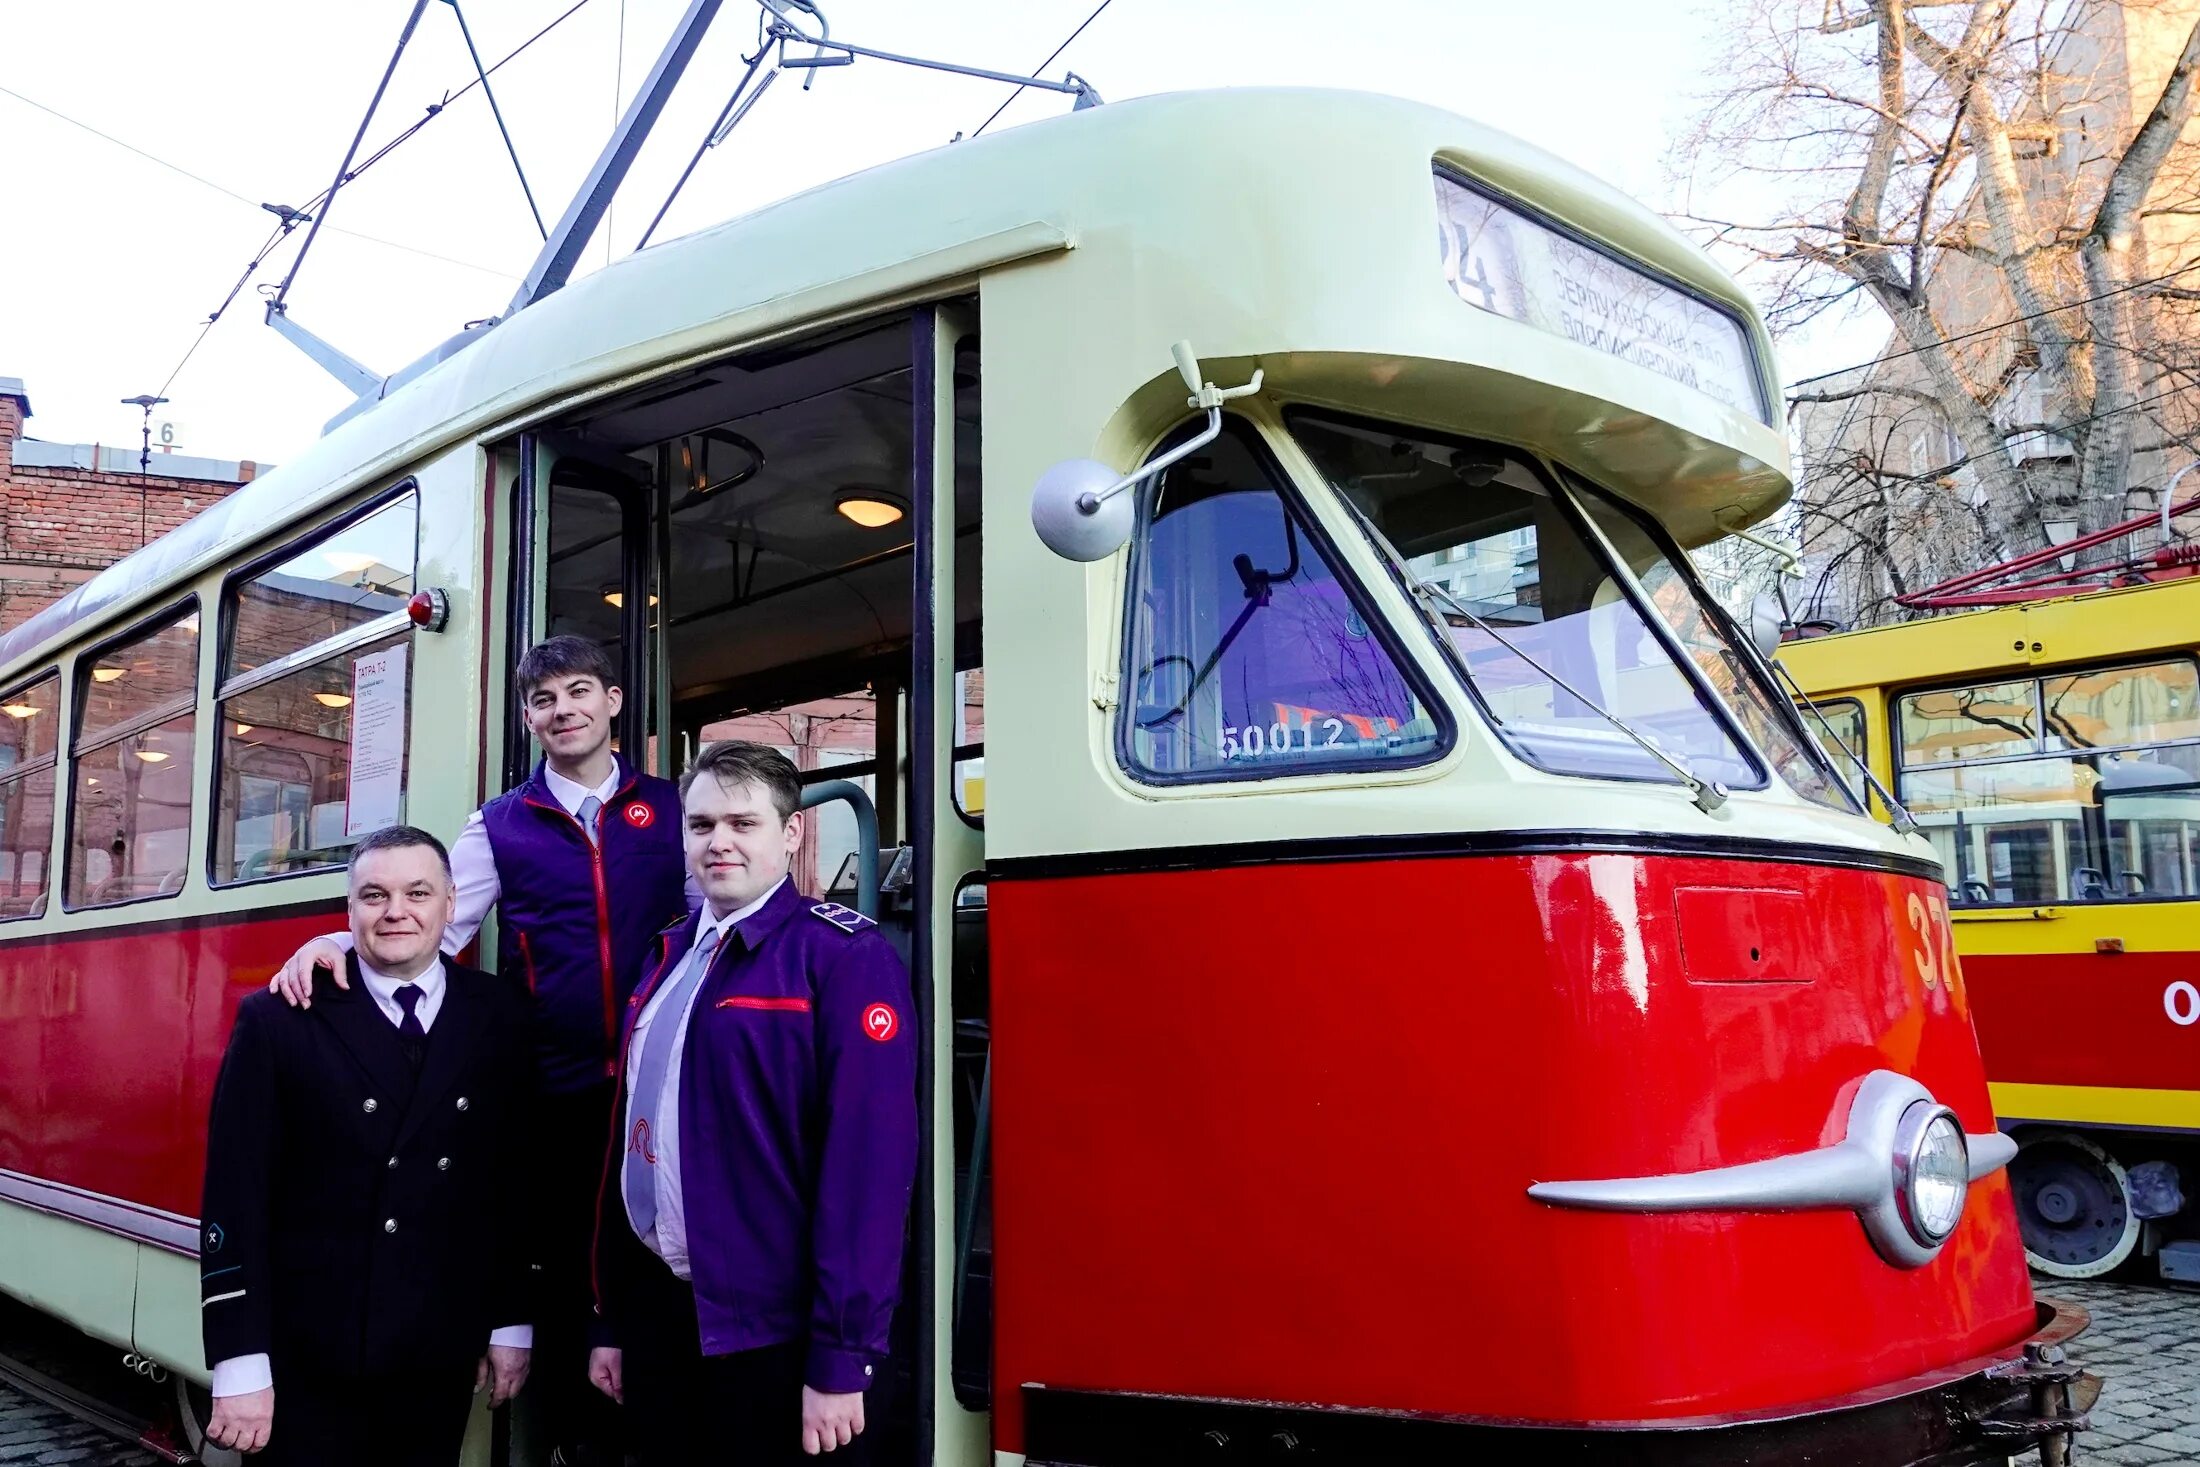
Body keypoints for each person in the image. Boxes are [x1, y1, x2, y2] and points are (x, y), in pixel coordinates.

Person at [266, 635, 690, 1465]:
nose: (562, 710)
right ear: (529, 719)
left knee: (655, 1262)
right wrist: (331, 942)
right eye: (543, 700)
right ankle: (576, 1440)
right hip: (557, 1085)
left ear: (611, 702)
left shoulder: (671, 810)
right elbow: (434, 926)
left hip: (659, 1088)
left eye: (578, 692)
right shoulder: (500, 823)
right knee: (569, 1265)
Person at [589, 742, 917, 1464]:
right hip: (663, 1316)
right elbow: (631, 1138)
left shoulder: (843, 959)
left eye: (744, 822)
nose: (721, 842)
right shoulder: (666, 955)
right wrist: (612, 1317)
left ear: (791, 833)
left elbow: (868, 1173)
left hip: (775, 1334)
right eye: (702, 825)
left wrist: (841, 1357)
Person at [200, 826, 536, 1465]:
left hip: (436, 1352)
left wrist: (510, 1320)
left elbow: (511, 1185)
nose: (396, 912)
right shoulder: (277, 1019)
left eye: (417, 892)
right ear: (349, 909)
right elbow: (234, 1197)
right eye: (374, 896)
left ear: (450, 901)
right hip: (308, 1357)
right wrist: (240, 1360)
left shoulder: (499, 1014)